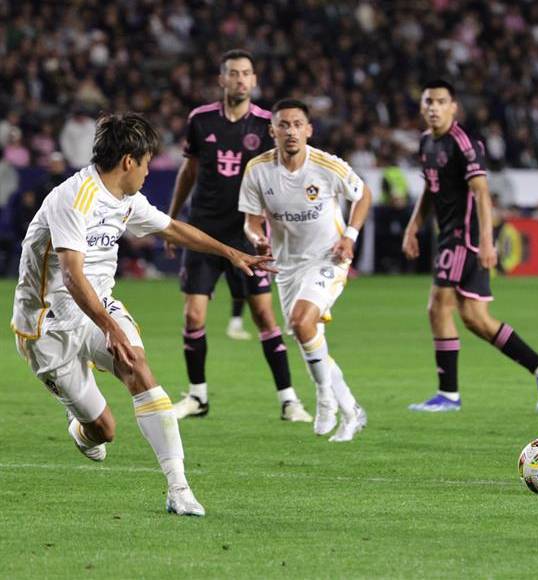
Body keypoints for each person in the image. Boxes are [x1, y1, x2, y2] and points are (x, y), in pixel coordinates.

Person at [11, 113, 276, 516]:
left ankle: (179, 489)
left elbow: (172, 229)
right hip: (47, 326)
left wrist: (230, 252)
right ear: (129, 161)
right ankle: (81, 427)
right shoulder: (73, 198)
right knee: (104, 431)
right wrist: (108, 326)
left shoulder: (126, 198)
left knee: (138, 365)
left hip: (98, 308)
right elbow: (71, 274)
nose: (151, 169)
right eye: (148, 161)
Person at [165, 49, 309, 422]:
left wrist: (277, 225)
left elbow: (281, 175)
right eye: (233, 73)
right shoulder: (200, 119)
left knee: (263, 314)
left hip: (247, 234)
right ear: (222, 79)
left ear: (254, 80)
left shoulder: (266, 124)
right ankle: (197, 397)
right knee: (193, 316)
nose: (240, 79)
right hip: (201, 231)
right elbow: (190, 171)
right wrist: (172, 219)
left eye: (246, 73)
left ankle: (289, 399)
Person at [402, 80, 538, 413]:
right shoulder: (425, 143)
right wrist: (412, 227)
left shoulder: (463, 143)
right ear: (422, 106)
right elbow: (430, 191)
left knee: (438, 307)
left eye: (440, 101)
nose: (433, 107)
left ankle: (448, 395)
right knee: (475, 318)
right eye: (428, 101)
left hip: (464, 236)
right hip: (447, 234)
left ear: (453, 107)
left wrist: (488, 242)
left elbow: (481, 192)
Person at [239, 99, 371, 441]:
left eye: (298, 124)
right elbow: (251, 222)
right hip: (286, 267)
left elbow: (363, 194)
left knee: (301, 322)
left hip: (329, 257)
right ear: (272, 131)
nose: (291, 131)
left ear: (309, 130)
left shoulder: (326, 165)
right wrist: (258, 239)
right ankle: (352, 410)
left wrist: (351, 237)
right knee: (310, 337)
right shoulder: (257, 170)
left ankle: (325, 399)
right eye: (283, 125)